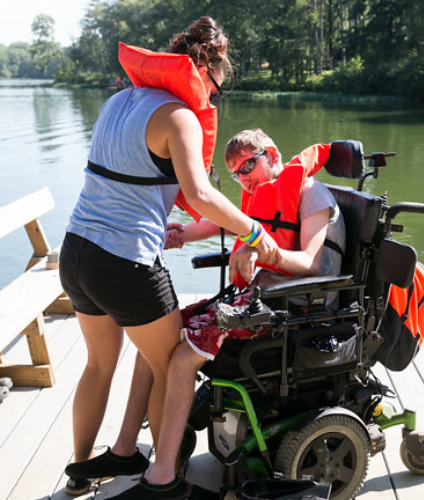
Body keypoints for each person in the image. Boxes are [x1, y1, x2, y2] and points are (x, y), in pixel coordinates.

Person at [59, 18, 277, 500]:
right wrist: (254, 230)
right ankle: (166, 483)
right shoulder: (178, 115)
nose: (214, 99)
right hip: (125, 263)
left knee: (99, 364)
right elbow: (199, 194)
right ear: (206, 69)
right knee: (171, 363)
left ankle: (82, 468)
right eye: (217, 88)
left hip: (76, 251)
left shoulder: (118, 101)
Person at [64, 128, 346, 498]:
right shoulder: (258, 193)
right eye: (236, 173)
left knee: (180, 358)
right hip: (255, 303)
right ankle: (125, 451)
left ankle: (163, 477)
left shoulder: (313, 195)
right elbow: (220, 222)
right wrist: (183, 233)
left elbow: (310, 263)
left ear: (273, 155)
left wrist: (261, 250)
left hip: (294, 309)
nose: (244, 177)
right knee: (153, 341)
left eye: (249, 164)